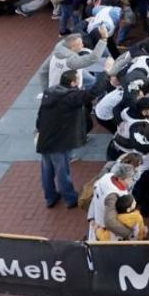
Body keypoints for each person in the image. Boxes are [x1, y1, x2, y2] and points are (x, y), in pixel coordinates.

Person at [36, 70, 93, 208]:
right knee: (62, 171)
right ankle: (70, 198)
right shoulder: (70, 97)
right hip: (59, 141)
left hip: (45, 138)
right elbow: (90, 94)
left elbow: (40, 116)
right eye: (78, 79)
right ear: (73, 82)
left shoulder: (50, 92)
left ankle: (50, 197)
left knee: (47, 170)